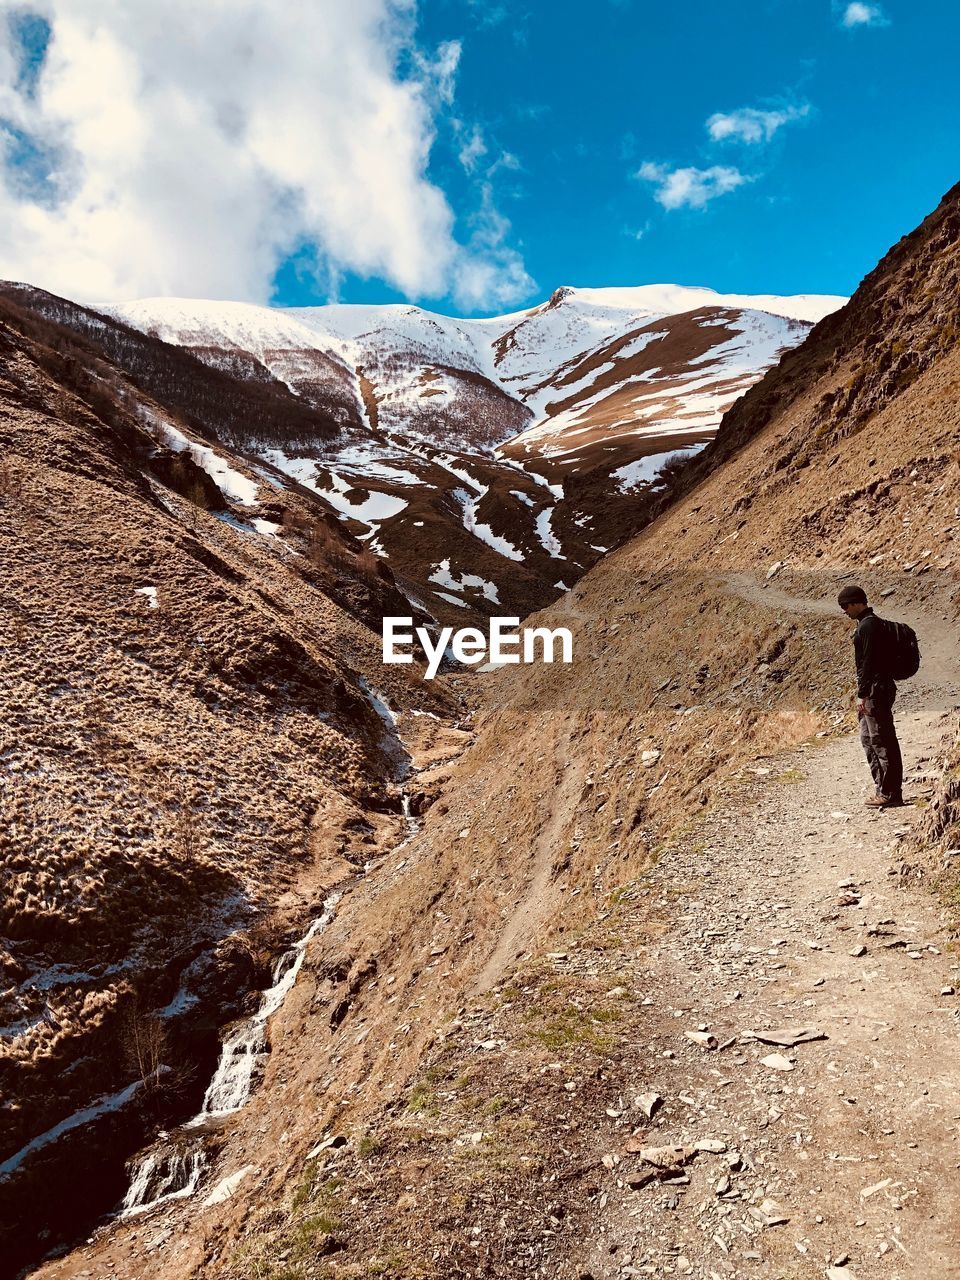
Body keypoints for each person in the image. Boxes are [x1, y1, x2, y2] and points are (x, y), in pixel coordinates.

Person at [837, 584, 904, 808]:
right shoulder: (870, 624)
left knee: (881, 740)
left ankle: (891, 793)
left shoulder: (868, 627)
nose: (844, 610)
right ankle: (882, 789)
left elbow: (867, 664)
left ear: (858, 603)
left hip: (876, 690)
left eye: (846, 606)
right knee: (868, 740)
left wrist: (862, 694)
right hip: (878, 689)